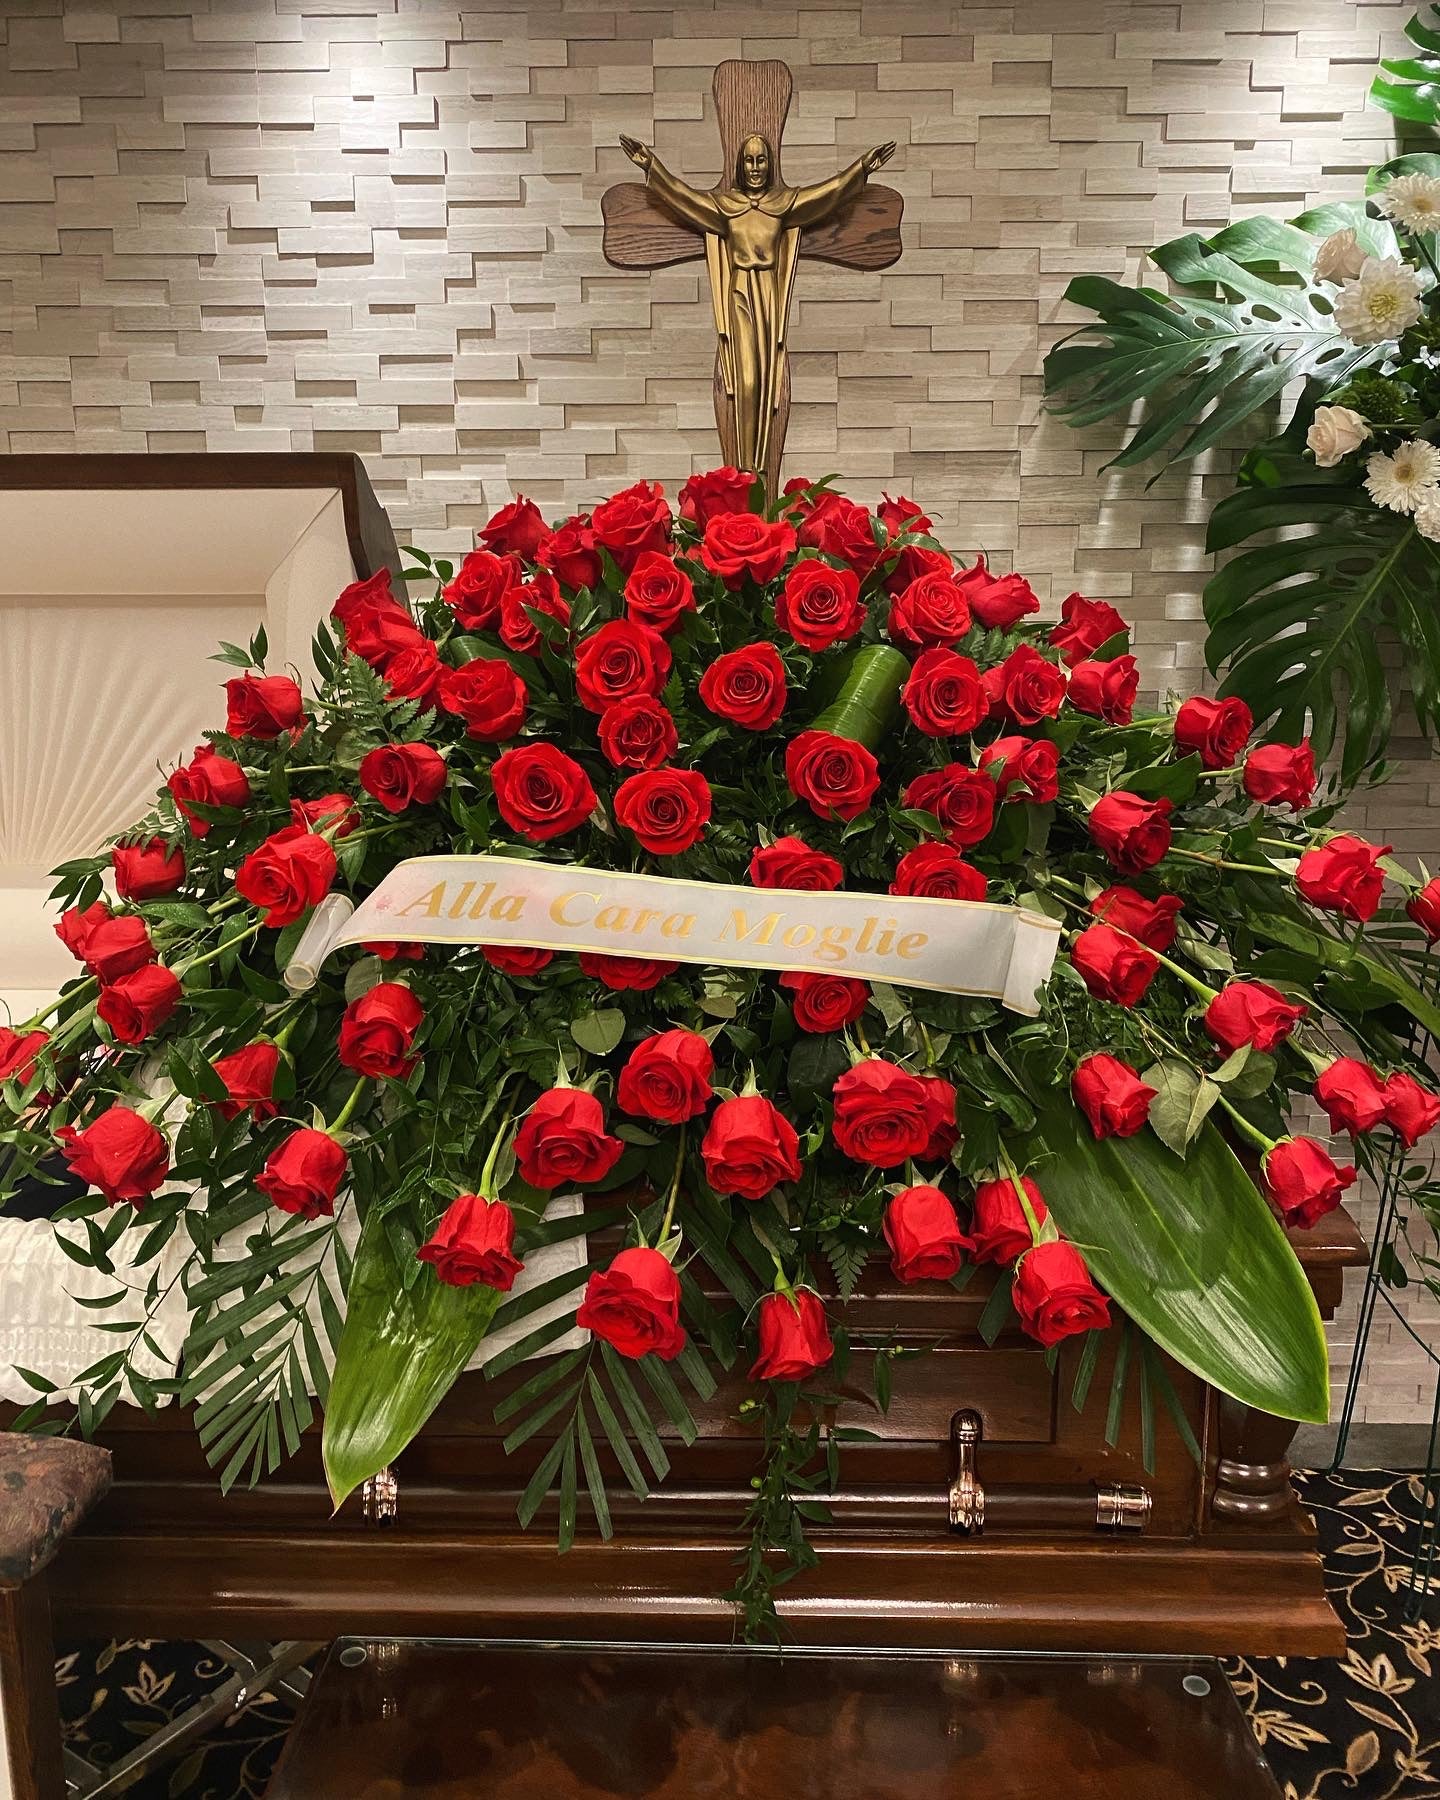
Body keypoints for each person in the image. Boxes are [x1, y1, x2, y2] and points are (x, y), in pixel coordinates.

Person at [619, 131, 896, 477]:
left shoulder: (784, 206)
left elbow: (828, 194)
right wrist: (652, 166)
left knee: (768, 380)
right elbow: (683, 198)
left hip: (769, 293)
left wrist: (861, 169)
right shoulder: (725, 209)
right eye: (748, 160)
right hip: (740, 294)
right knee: (746, 380)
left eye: (761, 159)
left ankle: (760, 464)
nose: (755, 167)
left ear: (770, 163)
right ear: (739, 165)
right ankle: (744, 466)